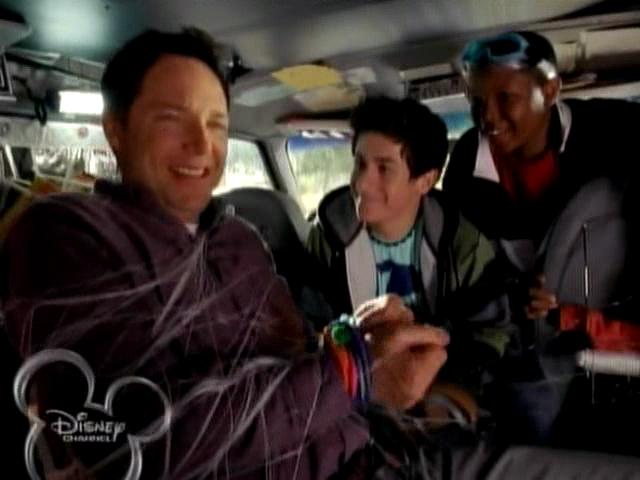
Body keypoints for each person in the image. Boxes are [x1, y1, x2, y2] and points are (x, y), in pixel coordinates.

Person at [2, 27, 640, 480]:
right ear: (115, 129)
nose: (202, 144)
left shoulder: (237, 240)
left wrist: (370, 351)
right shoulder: (66, 235)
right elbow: (121, 440)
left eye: (218, 123)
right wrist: (357, 367)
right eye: (173, 117)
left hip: (390, 446)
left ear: (425, 181)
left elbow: (305, 349)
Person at [444, 30, 640, 448]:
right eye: (476, 101)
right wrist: (515, 294)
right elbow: (467, 267)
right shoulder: (464, 167)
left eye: (505, 99)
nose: (488, 116)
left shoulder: (614, 131)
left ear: (550, 90)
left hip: (610, 327)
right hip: (523, 346)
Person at [307, 96, 510, 399]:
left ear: (425, 181)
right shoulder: (328, 237)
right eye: (360, 164)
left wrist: (441, 391)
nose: (362, 184)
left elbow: (491, 334)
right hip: (354, 392)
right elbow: (307, 328)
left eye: (383, 168)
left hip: (442, 388)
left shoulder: (462, 243)